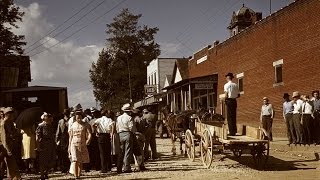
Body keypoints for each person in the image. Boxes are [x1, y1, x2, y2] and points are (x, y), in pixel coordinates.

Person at [68, 108, 92, 179]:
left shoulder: (85, 124)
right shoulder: (73, 125)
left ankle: (78, 174)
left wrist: (88, 139)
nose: (78, 117)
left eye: (80, 115)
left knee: (80, 160)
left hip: (82, 143)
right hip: (74, 143)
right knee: (75, 159)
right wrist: (69, 146)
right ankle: (75, 175)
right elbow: (70, 136)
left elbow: (89, 133)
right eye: (77, 115)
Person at [0, 107, 21, 180]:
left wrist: (16, 131)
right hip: (4, 147)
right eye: (11, 114)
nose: (13, 115)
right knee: (6, 163)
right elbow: (3, 138)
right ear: (7, 114)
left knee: (10, 163)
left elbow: (14, 133)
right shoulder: (4, 123)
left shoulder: (10, 122)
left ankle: (12, 177)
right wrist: (8, 150)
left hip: (10, 145)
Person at [93, 108, 114, 173]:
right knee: (108, 152)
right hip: (107, 135)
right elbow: (112, 126)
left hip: (101, 135)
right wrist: (111, 133)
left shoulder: (99, 120)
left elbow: (93, 125)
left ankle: (103, 168)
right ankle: (108, 167)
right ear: (106, 113)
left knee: (102, 153)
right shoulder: (109, 119)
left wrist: (96, 131)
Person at [36, 112, 56, 180]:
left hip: (50, 144)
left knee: (50, 160)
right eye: (47, 116)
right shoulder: (41, 126)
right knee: (42, 160)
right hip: (43, 144)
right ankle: (42, 175)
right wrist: (38, 146)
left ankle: (46, 172)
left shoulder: (51, 125)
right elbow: (38, 137)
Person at [116, 103, 134, 173]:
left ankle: (119, 167)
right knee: (127, 151)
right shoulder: (129, 118)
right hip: (127, 133)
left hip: (120, 134)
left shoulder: (119, 118)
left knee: (121, 152)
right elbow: (131, 127)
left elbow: (117, 127)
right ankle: (126, 167)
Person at [56, 109, 71, 173]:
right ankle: (66, 167)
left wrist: (57, 139)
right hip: (65, 137)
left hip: (65, 137)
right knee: (64, 153)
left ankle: (66, 167)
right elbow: (58, 131)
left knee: (66, 152)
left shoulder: (63, 121)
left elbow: (58, 131)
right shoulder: (68, 120)